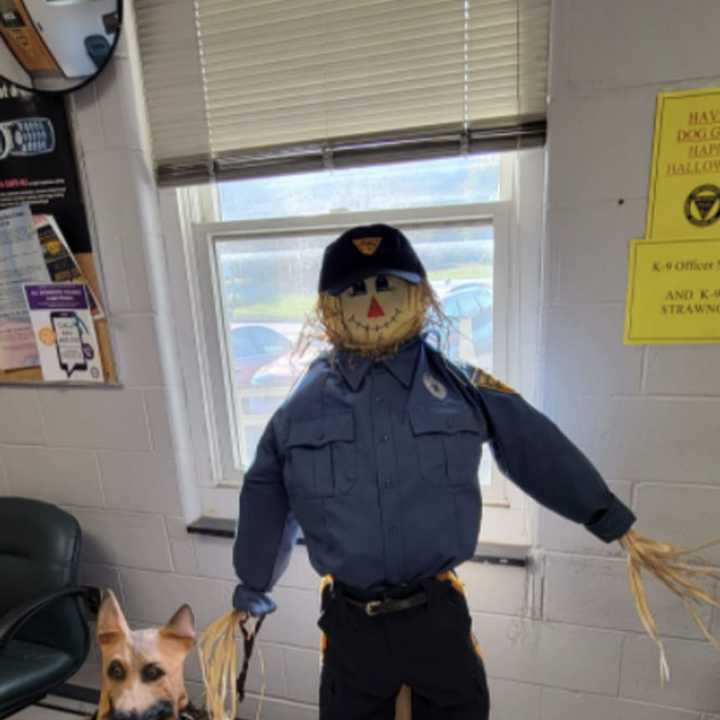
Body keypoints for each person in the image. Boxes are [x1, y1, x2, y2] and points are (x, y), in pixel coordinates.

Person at [201, 224, 719, 720]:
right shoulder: (303, 407)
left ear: (419, 294)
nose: (373, 302)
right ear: (330, 308)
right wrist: (251, 588)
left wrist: (608, 518)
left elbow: (534, 445)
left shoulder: (460, 386)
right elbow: (267, 493)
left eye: (386, 284)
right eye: (356, 289)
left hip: (437, 617)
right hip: (351, 625)